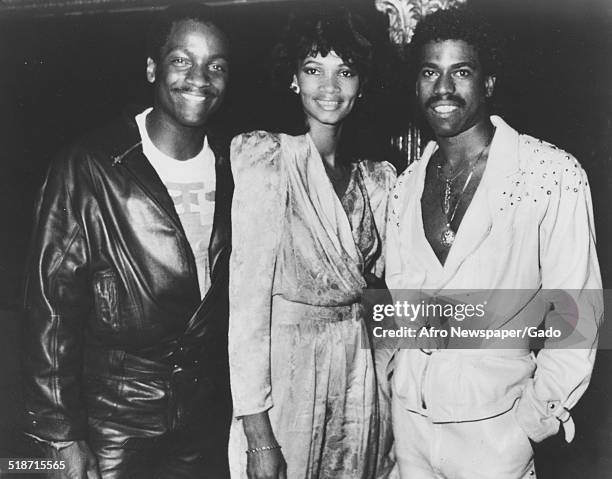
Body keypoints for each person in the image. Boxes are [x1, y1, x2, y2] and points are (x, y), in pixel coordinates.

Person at [385, 7, 603, 479]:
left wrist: (531, 422)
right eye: (430, 72)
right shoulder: (403, 186)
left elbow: (577, 313)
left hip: (497, 433)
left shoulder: (549, 174)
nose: (443, 89)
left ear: (488, 83)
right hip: (410, 431)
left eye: (461, 72)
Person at [22, 3, 233, 478]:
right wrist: (62, 434)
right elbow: (50, 308)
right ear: (152, 68)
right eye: (182, 59)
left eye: (216, 66)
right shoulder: (91, 164)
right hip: (113, 423)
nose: (199, 78)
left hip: (202, 423)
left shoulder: (236, 163)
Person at [227, 7, 396, 479]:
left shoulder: (377, 179)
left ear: (361, 84)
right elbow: (246, 307)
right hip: (288, 379)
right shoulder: (269, 159)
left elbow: (390, 291)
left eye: (345, 71)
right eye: (313, 69)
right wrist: (258, 434)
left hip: (359, 379)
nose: (329, 86)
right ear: (293, 80)